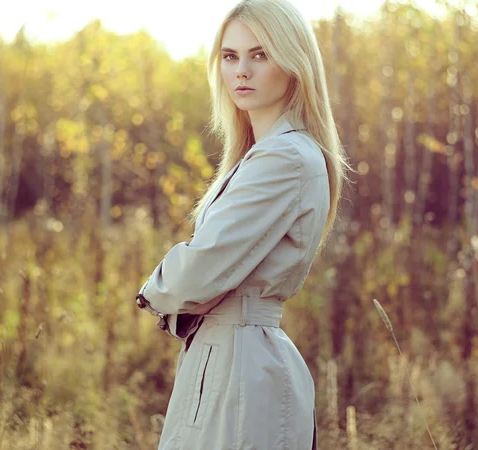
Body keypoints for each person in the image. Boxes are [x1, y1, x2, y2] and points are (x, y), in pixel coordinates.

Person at [135, 0, 351, 448]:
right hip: (228, 357)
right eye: (230, 57)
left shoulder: (284, 156)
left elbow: (201, 270)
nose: (242, 71)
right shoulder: (267, 153)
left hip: (240, 368)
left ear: (293, 64)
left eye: (260, 54)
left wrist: (153, 291)